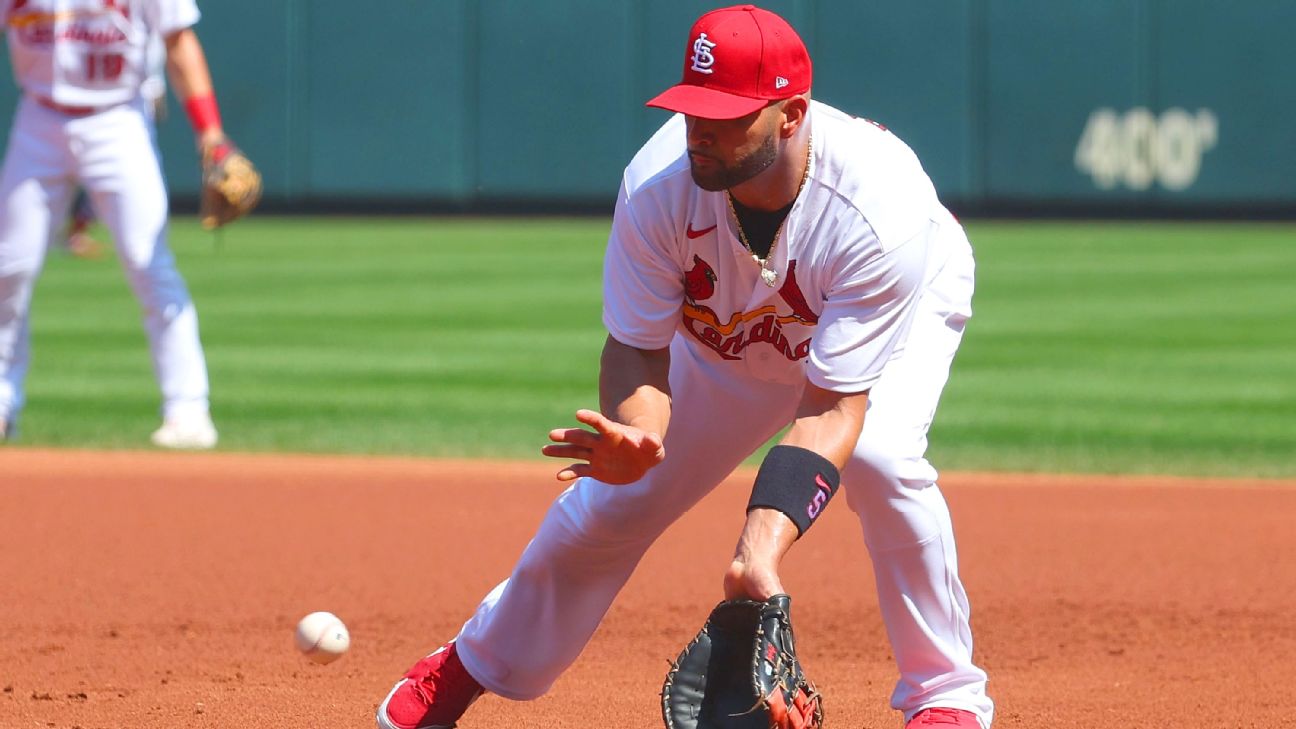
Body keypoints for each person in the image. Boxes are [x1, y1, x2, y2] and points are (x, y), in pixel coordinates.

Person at [375, 5, 993, 729]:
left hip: (895, 305)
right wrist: (639, 431)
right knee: (617, 498)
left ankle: (945, 694)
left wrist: (755, 555)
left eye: (727, 115)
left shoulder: (877, 212)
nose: (700, 130)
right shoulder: (659, 184)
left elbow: (829, 409)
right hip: (731, 338)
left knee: (881, 457)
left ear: (790, 115)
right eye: (692, 106)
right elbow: (637, 345)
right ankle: (468, 665)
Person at [0, 0, 227, 448]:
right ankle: (3, 403)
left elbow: (179, 42)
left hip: (118, 120)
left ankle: (188, 410)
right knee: (8, 268)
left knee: (149, 264)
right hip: (39, 118)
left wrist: (210, 131)